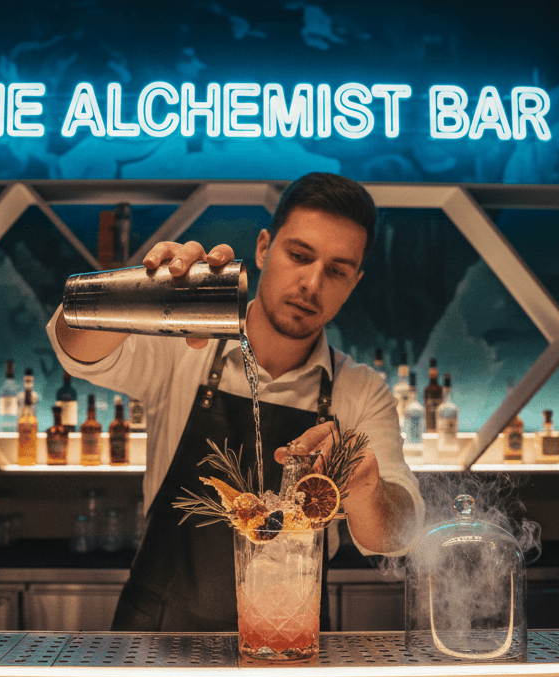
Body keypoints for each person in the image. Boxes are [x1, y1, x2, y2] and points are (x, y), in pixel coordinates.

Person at [47, 172, 423, 631]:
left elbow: (400, 531)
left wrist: (366, 490)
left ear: (355, 281)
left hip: (288, 640)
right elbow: (72, 349)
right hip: (160, 640)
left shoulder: (360, 390)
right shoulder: (185, 345)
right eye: (299, 256)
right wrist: (149, 293)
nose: (311, 283)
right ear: (264, 248)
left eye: (337, 270)